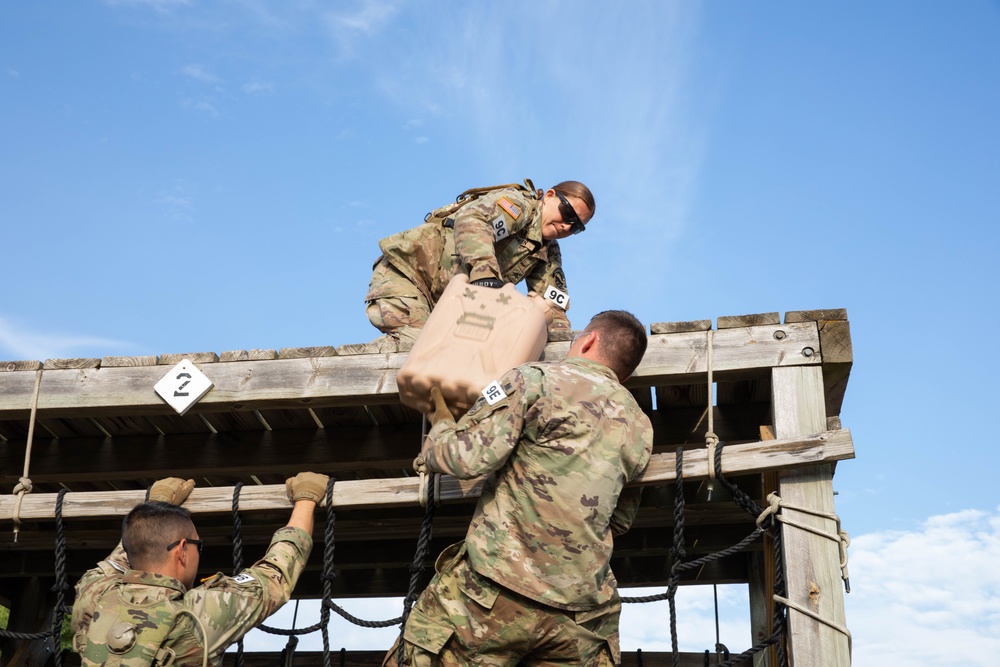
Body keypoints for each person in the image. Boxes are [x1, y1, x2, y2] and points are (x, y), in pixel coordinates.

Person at [386, 310, 653, 666]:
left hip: (493, 594)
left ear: (588, 340)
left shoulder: (532, 379)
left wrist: (441, 424)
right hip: (580, 615)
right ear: (627, 373)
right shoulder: (641, 426)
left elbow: (466, 459)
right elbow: (619, 520)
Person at [70, 472, 329, 667]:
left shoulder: (93, 593)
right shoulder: (197, 615)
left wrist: (156, 504)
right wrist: (306, 499)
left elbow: (130, 549)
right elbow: (275, 573)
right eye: (197, 545)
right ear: (182, 550)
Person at [365, 179, 595, 348]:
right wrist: (485, 273)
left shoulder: (547, 251)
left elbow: (552, 305)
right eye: (567, 213)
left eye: (576, 226)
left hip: (442, 304)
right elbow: (473, 219)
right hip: (407, 275)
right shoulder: (518, 207)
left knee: (455, 355)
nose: (567, 226)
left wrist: (564, 346)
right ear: (550, 195)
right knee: (418, 348)